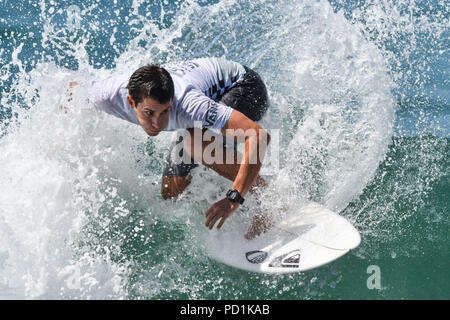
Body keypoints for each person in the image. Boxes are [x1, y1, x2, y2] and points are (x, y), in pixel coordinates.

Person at [81, 57, 271, 239]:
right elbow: (76, 90)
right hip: (203, 88)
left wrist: (233, 198)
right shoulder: (107, 95)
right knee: (171, 191)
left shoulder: (189, 105)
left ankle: (267, 199)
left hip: (245, 87)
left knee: (196, 143)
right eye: (149, 113)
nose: (157, 123)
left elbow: (259, 136)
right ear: (131, 102)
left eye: (165, 112)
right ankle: (224, 186)